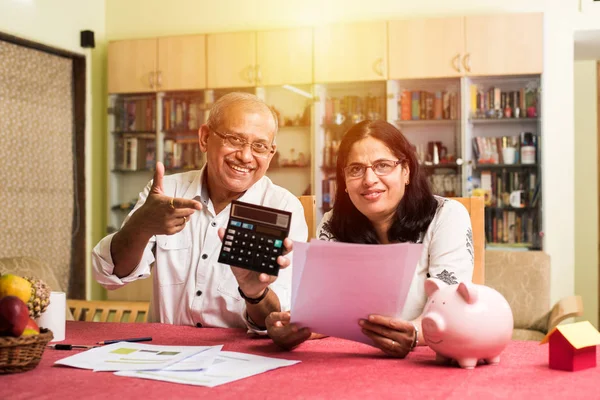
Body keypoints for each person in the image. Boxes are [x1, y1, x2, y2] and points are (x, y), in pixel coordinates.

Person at [92, 92, 308, 332]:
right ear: (205, 138)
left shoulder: (282, 208)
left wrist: (255, 293)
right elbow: (108, 276)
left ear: (271, 154)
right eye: (234, 139)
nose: (246, 156)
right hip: (163, 354)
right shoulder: (168, 191)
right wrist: (139, 227)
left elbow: (277, 321)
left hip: (239, 358)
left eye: (259, 146)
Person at [266, 120, 473, 357]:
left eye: (382, 165)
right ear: (343, 181)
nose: (369, 180)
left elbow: (451, 308)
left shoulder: (447, 215)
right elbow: (328, 313)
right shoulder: (333, 223)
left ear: (406, 171)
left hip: (424, 359)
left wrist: (415, 333)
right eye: (356, 169)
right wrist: (297, 328)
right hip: (348, 360)